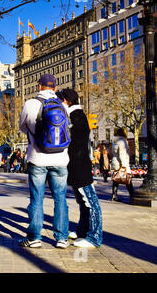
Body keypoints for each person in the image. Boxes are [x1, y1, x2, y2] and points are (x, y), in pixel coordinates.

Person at [18, 73, 70, 249]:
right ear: (55, 88)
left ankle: (34, 238)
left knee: (37, 199)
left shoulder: (30, 104)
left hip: (37, 158)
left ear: (39, 87)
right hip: (61, 159)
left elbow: (22, 127)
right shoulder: (63, 106)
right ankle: (62, 238)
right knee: (60, 199)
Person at [61, 88, 102, 248]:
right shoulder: (76, 116)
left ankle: (95, 237)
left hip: (80, 167)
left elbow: (76, 145)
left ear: (65, 101)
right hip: (78, 166)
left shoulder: (76, 117)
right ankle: (83, 231)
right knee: (82, 201)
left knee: (90, 201)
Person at [111, 128, 134, 202]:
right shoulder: (122, 141)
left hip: (115, 163)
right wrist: (125, 166)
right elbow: (122, 154)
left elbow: (112, 152)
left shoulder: (115, 141)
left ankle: (114, 196)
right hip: (121, 163)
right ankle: (132, 195)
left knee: (116, 179)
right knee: (128, 179)